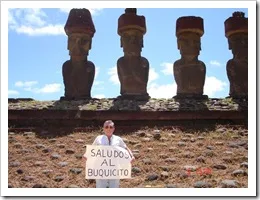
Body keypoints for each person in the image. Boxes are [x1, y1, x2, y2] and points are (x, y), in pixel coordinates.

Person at [83, 120, 135, 188]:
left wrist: (131, 156)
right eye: (106, 127)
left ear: (114, 128)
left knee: (114, 187)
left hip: (114, 168)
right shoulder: (98, 138)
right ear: (103, 128)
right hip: (100, 168)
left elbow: (125, 148)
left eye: (111, 127)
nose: (108, 129)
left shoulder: (118, 139)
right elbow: (92, 149)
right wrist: (85, 155)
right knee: (100, 187)